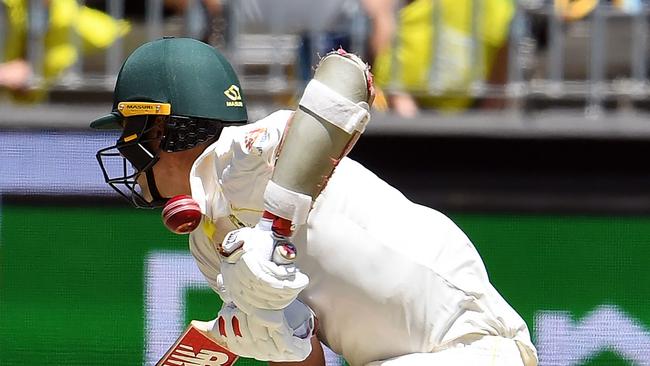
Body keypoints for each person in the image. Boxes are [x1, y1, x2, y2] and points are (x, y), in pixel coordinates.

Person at [90, 37, 538, 366]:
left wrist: (274, 231)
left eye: (131, 138)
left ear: (165, 131)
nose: (127, 157)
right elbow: (306, 359)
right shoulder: (210, 245)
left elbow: (348, 73)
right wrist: (285, 336)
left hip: (474, 348)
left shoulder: (251, 152)